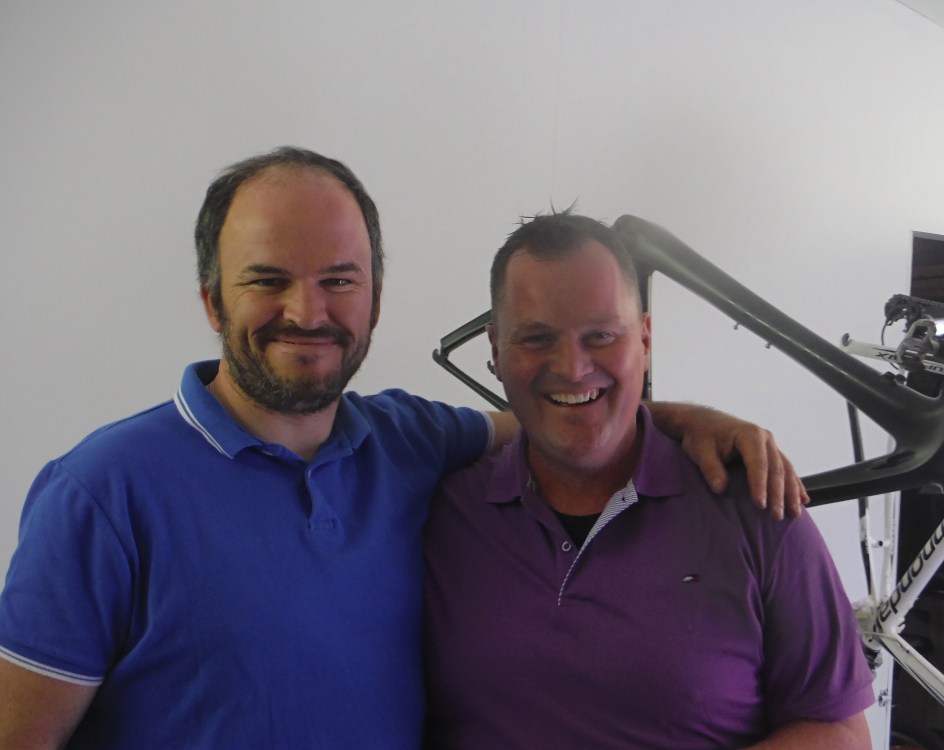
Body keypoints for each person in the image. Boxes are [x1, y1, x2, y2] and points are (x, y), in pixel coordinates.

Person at [0, 147, 805, 749]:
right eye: (267, 279)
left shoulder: (409, 440)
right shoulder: (103, 493)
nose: (307, 311)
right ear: (213, 298)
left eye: (339, 280)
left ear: (377, 300)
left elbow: (560, 412)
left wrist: (689, 418)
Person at [423, 211, 875, 749]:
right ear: (495, 351)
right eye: (537, 338)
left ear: (644, 338)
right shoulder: (440, 510)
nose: (572, 367)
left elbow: (842, 733)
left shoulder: (755, 502)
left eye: (601, 335)